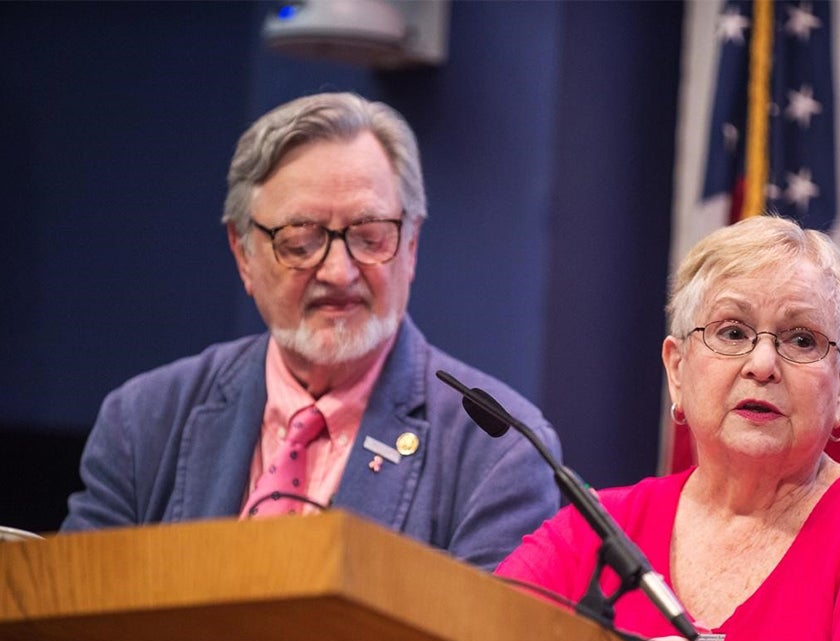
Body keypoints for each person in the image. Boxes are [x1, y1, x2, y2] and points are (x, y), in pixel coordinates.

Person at [61, 92, 562, 571]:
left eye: (370, 237)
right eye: (301, 242)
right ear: (244, 254)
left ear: (410, 245)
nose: (339, 272)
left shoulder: (499, 451)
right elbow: (69, 619)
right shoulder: (143, 421)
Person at [496, 215, 840, 641]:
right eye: (732, 332)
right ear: (677, 369)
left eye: (802, 340)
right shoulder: (594, 530)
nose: (762, 365)